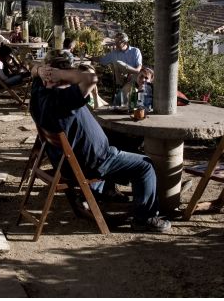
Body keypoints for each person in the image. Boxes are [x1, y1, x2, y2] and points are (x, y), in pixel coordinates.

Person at [29, 50, 171, 232]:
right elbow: (91, 79)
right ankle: (145, 218)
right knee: (145, 165)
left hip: (66, 163)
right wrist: (59, 74)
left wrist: (41, 71)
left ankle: (103, 191)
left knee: (121, 141)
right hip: (92, 162)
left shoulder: (38, 92)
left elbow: (32, 70)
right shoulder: (63, 98)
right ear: (62, 74)